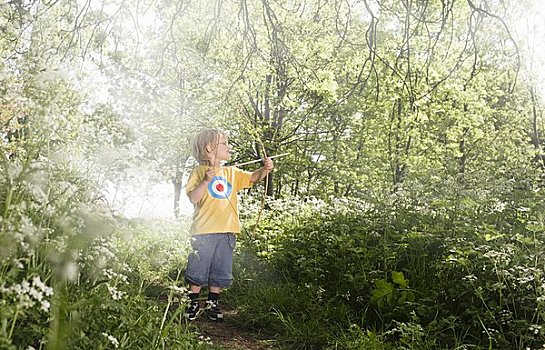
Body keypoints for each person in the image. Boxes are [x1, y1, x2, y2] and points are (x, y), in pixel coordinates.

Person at [183, 129, 273, 321]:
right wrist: (206, 181)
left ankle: (212, 303)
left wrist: (264, 169)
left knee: (220, 269)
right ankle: (192, 302)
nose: (229, 146)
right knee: (199, 268)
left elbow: (252, 178)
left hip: (227, 231)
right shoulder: (199, 173)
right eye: (224, 143)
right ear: (209, 149)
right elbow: (194, 198)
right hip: (204, 231)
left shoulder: (231, 172)